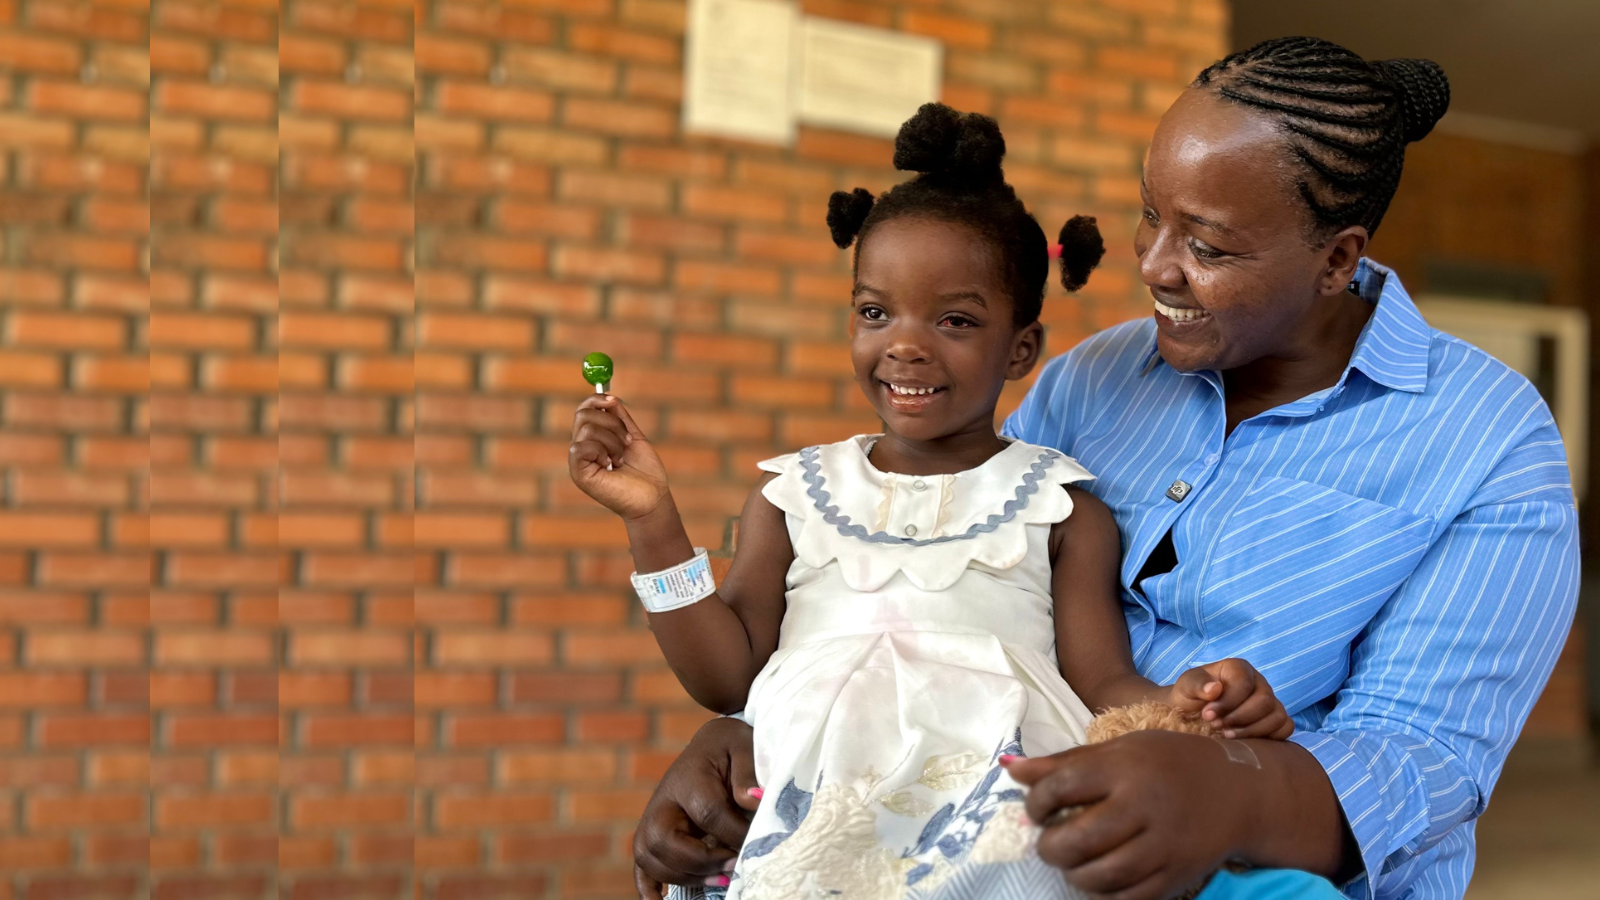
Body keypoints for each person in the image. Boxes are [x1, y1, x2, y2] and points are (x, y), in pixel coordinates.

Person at [627, 36, 1581, 900]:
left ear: (1337, 258)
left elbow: (1427, 760)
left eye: (1206, 246)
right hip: (984, 845)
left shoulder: (1488, 441)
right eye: (1148, 216)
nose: (1155, 267)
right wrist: (766, 735)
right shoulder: (1093, 381)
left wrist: (1230, 790)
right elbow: (963, 607)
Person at [571, 102, 1319, 900]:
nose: (905, 343)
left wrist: (1189, 700)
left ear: (1021, 348)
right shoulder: (795, 495)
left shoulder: (1060, 510)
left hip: (986, 824)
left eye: (955, 319)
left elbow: (1102, 682)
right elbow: (725, 679)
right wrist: (653, 522)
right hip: (813, 812)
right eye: (874, 312)